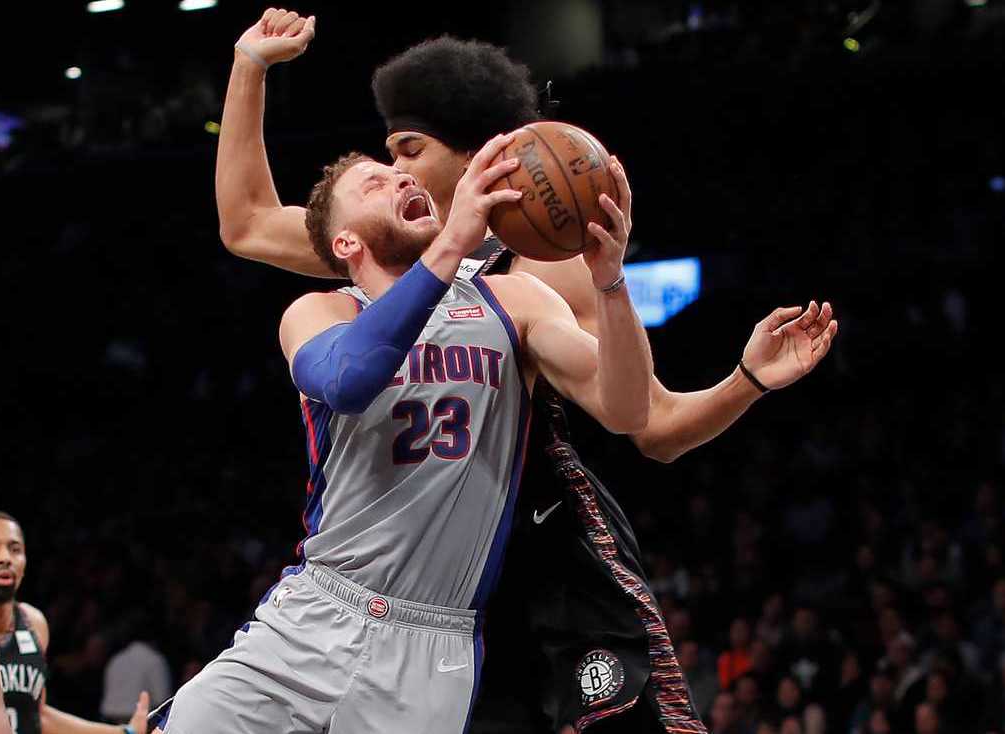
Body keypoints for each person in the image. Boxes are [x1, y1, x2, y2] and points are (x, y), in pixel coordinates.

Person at [208, 10, 836, 733]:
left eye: (410, 149)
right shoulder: (383, 245)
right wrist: (249, 65)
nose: (395, 170)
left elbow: (653, 424)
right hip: (430, 586)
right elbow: (246, 221)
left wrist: (743, 381)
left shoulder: (538, 270)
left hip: (545, 550)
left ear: (482, 155)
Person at [158, 118, 656, 732]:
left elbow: (628, 409)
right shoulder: (322, 312)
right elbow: (348, 379)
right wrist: (453, 245)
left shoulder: (514, 300)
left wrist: (610, 280)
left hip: (433, 645)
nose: (401, 180)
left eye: (401, 175)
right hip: (318, 610)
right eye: (374, 183)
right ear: (345, 243)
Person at [0, 512, 150, 734]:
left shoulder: (33, 623)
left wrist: (124, 732)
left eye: (15, 549)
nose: (5, 558)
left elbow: (38, 715)